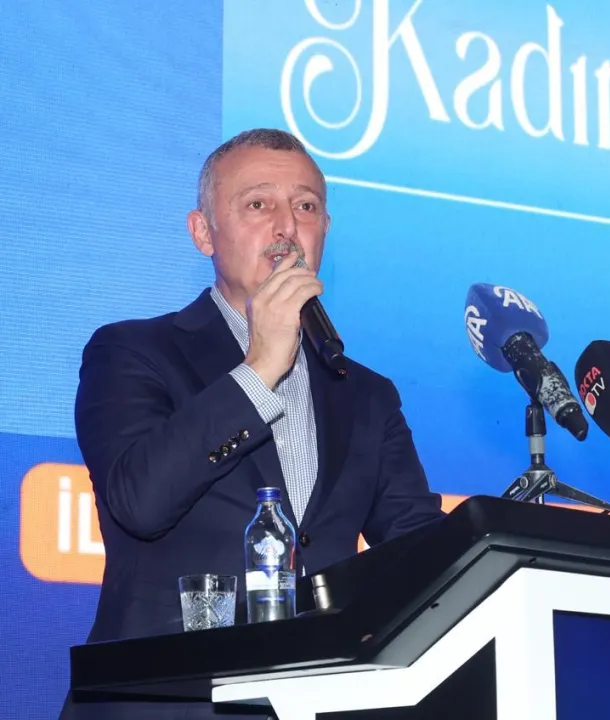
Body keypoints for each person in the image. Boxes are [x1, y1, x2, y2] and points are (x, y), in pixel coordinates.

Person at [60, 128, 447, 719]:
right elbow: (139, 500)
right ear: (203, 233)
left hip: (319, 700)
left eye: (306, 207)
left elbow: (419, 550)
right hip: (169, 702)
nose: (287, 226)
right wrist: (260, 367)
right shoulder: (133, 352)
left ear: (325, 230)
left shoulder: (366, 394)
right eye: (259, 203)